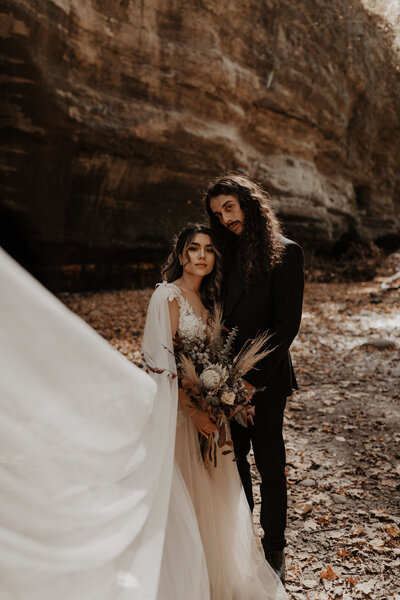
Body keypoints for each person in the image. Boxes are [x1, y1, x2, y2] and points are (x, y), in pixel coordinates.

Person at [143, 223, 287, 599]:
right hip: (179, 417)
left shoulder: (209, 305)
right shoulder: (167, 297)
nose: (202, 255)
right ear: (181, 255)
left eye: (209, 249)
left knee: (212, 499)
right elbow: (162, 365)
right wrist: (194, 413)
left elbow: (217, 365)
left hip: (210, 418)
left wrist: (231, 402)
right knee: (184, 496)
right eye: (194, 248)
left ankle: (211, 576)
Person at [205, 174, 304, 582]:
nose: (225, 219)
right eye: (217, 214)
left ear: (248, 202)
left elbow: (286, 325)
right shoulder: (223, 258)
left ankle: (275, 548)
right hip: (223, 381)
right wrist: (219, 380)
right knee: (235, 464)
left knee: (269, 462)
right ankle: (244, 546)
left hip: (267, 379)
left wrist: (250, 383)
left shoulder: (286, 253)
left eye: (229, 207)